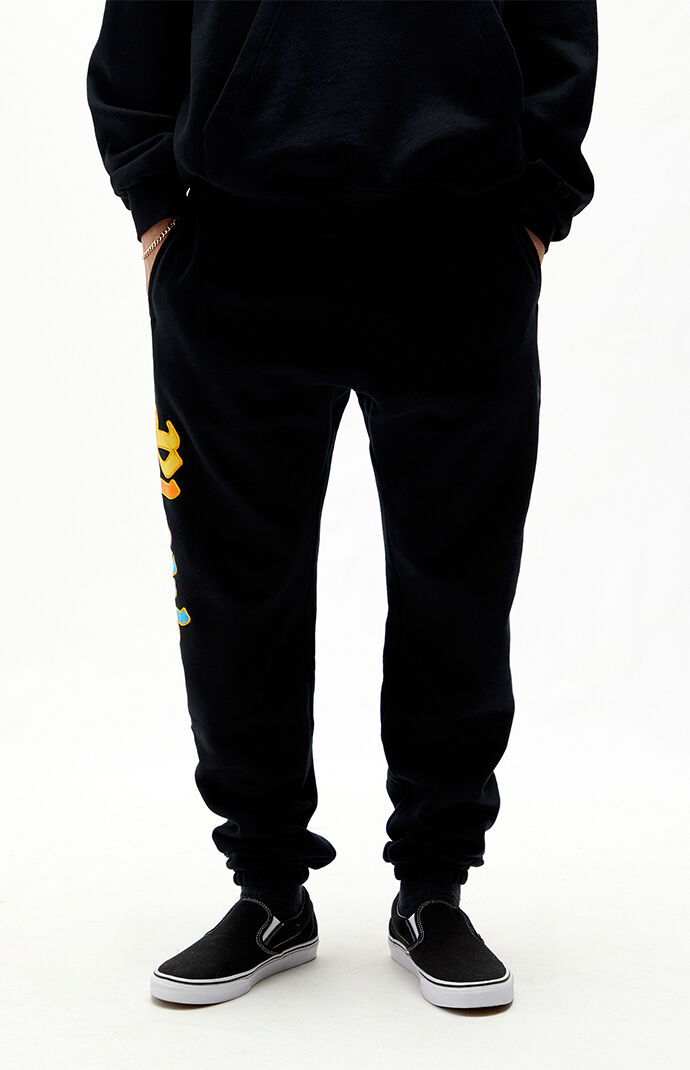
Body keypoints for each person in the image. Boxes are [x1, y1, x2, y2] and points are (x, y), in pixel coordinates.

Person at [86, 0, 597, 1009]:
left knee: (457, 579)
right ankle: (267, 885)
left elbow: (558, 21)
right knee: (232, 586)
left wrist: (536, 207)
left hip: (460, 243)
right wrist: (153, 203)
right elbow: (140, 23)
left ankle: (435, 886)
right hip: (238, 246)